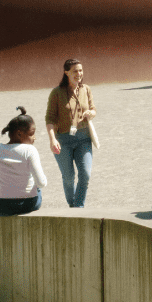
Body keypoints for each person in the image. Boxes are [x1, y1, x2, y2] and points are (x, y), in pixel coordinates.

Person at [45, 58, 96, 207]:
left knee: (85, 174)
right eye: (75, 71)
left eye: (81, 70)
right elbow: (50, 118)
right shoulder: (56, 93)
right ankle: (72, 206)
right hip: (62, 140)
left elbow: (93, 109)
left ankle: (78, 207)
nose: (79, 74)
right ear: (66, 72)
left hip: (84, 138)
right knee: (68, 177)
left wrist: (91, 113)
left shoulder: (86, 89)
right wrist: (52, 139)